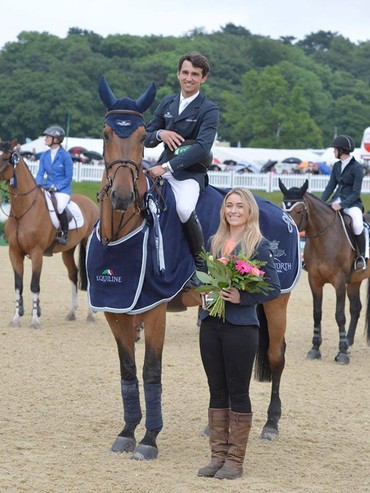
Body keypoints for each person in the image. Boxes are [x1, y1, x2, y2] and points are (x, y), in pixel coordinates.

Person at [197, 188, 281, 480]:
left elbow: (273, 287)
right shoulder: (214, 241)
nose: (233, 210)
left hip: (241, 328)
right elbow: (203, 279)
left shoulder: (259, 245)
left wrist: (240, 297)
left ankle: (235, 460)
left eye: (239, 206)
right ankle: (217, 457)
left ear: (249, 211)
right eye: (229, 205)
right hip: (210, 324)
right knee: (216, 390)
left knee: (238, 392)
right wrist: (204, 294)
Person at [144, 52, 219, 273]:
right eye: (185, 72)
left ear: (203, 78)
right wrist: (160, 134)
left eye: (195, 74)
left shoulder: (209, 109)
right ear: (178, 74)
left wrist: (166, 168)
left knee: (185, 209)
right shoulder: (167, 102)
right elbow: (146, 137)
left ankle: (200, 263)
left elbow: (202, 147)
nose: (189, 78)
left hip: (189, 173)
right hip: (160, 167)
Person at [321, 135, 367, 271]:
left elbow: (356, 193)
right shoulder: (336, 166)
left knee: (358, 224)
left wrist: (341, 205)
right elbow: (330, 187)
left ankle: (361, 257)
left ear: (342, 150)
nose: (333, 152)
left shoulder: (357, 168)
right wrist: (321, 203)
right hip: (335, 200)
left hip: (352, 204)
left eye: (335, 149)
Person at [35, 125, 73, 245]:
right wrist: (37, 185)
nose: (45, 139)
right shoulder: (44, 155)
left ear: (56, 139)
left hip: (62, 190)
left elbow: (68, 177)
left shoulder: (65, 156)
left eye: (48, 137)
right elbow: (40, 173)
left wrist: (57, 187)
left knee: (60, 207)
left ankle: (64, 235)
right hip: (47, 188)